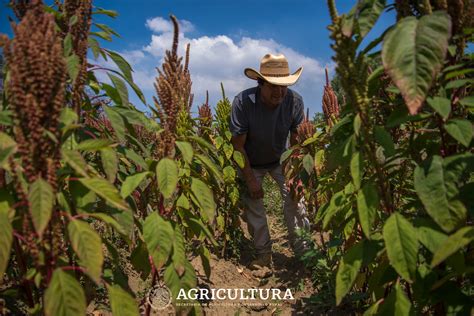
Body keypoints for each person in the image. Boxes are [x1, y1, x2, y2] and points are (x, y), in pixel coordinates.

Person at [230, 53, 310, 271]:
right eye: (273, 86)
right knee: (254, 205)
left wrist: (295, 175)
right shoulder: (243, 103)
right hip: (251, 161)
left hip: (280, 160)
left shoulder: (294, 101)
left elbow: (295, 143)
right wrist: (250, 180)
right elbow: (238, 147)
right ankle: (264, 255)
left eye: (283, 86)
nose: (280, 92)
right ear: (260, 83)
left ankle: (305, 254)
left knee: (295, 200)